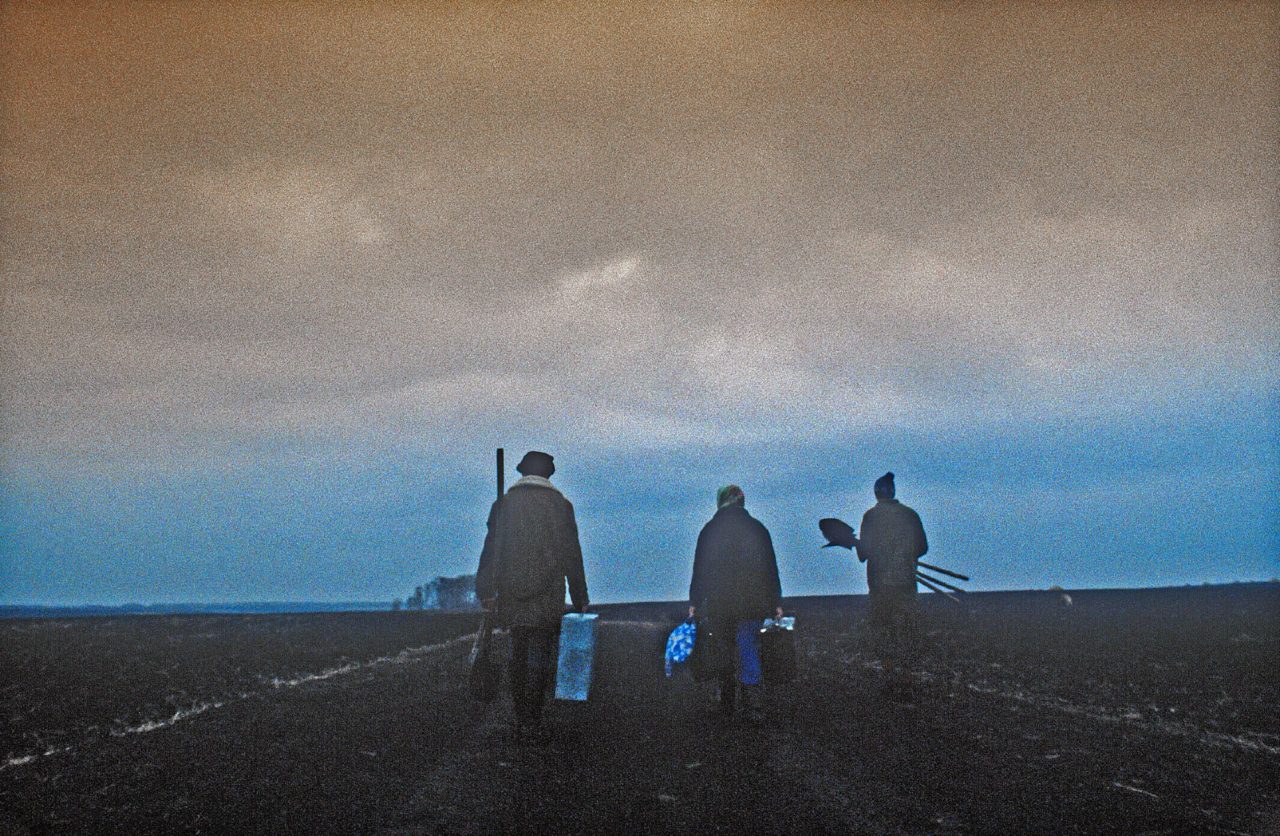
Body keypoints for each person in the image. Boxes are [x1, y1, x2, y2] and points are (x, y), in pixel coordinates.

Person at [475, 450, 589, 743]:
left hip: (511, 591)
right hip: (548, 592)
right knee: (540, 654)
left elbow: (491, 550)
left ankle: (520, 715)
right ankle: (533, 718)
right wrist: (579, 595)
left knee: (517, 650)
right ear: (548, 474)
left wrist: (485, 590)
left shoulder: (503, 504)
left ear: (523, 473)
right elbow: (572, 554)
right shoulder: (561, 506)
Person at [688, 484, 783, 721]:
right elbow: (770, 567)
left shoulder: (710, 530)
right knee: (748, 646)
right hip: (752, 601)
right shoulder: (758, 529)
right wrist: (775, 601)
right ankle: (753, 704)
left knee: (724, 648)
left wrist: (695, 601)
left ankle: (727, 699)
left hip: (720, 602)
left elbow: (700, 569)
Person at [852, 472, 928, 693]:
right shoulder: (910, 515)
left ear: (876, 494)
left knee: (883, 630)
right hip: (906, 582)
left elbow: (863, 554)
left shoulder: (870, 517)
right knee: (907, 630)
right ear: (893, 492)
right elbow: (923, 547)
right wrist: (905, 555)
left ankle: (889, 674)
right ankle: (907, 676)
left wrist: (856, 543)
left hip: (879, 585)